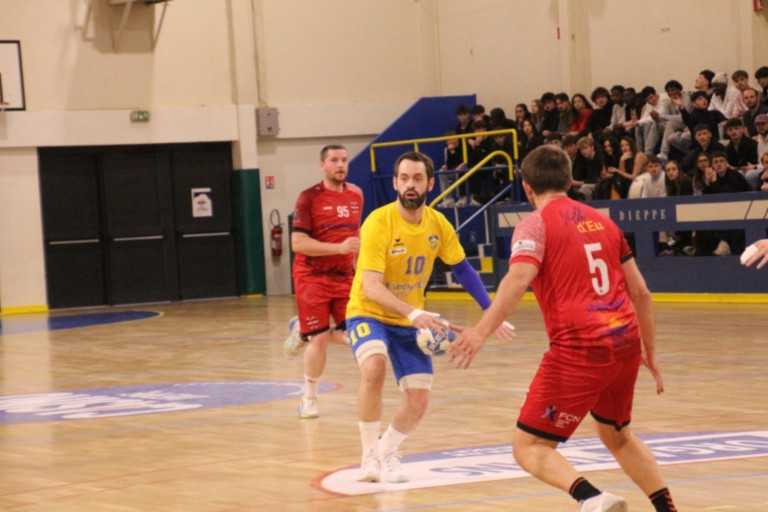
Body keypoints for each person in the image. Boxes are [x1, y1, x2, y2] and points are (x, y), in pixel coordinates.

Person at [449, 145, 677, 512]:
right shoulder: (604, 221)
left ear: (527, 187)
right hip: (624, 343)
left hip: (580, 348)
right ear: (570, 182)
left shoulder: (534, 224)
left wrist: (479, 332)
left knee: (528, 446)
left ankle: (593, 499)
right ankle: (668, 508)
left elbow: (518, 279)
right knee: (617, 434)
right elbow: (642, 293)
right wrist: (649, 351)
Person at [347, 151, 514, 483]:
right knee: (374, 367)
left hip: (412, 320)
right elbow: (371, 287)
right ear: (395, 183)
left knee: (419, 399)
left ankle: (387, 451)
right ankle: (368, 456)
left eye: (417, 178)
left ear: (430, 183)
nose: (410, 184)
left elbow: (463, 269)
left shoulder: (438, 224)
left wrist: (490, 311)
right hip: (369, 312)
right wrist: (413, 312)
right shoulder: (378, 222)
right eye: (404, 178)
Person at [284, 144, 363, 419]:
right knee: (318, 338)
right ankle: (309, 399)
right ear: (323, 165)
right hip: (312, 276)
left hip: (344, 277)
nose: (340, 165)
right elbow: (297, 243)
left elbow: (355, 235)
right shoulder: (308, 198)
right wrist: (338, 248)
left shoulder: (356, 194)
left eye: (344, 160)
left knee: (355, 335)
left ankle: (302, 329)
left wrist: (358, 265)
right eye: (334, 160)